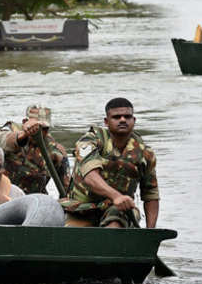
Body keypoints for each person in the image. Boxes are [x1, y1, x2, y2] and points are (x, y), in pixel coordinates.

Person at [60, 98, 159, 229]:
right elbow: (90, 176)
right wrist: (116, 196)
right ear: (106, 121)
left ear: (134, 121)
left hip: (120, 210)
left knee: (115, 220)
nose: (123, 120)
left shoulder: (145, 153)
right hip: (80, 209)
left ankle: (110, 245)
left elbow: (150, 194)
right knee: (71, 235)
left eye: (127, 116)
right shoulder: (90, 141)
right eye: (117, 117)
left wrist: (150, 232)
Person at [0, 105, 70, 195]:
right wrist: (24, 135)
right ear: (25, 122)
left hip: (36, 199)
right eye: (36, 127)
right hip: (6, 195)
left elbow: (66, 188)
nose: (40, 132)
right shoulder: (11, 130)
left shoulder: (54, 150)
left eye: (44, 129)